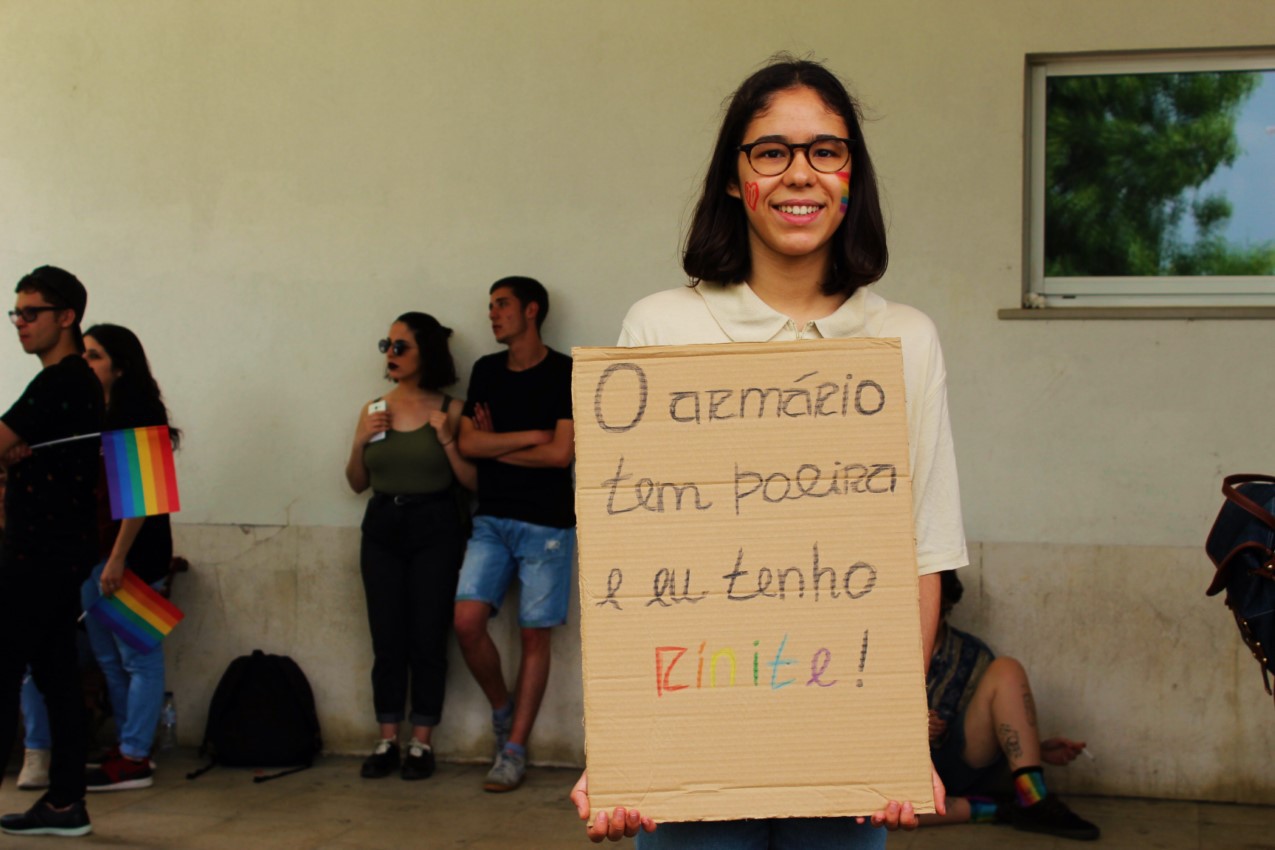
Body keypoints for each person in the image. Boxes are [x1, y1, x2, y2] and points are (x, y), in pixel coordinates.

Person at [569, 57, 967, 846]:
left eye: (826, 150)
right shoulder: (660, 328)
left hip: (840, 742)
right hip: (691, 743)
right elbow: (631, 563)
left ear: (852, 174)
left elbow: (922, 555)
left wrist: (887, 735)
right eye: (770, 151)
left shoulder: (905, 339)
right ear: (732, 177)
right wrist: (622, 745)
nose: (800, 174)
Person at [19, 323, 183, 793]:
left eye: (94, 356)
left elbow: (144, 501)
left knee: (140, 658)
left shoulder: (140, 419)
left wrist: (117, 559)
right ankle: (126, 748)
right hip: (94, 554)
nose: (85, 364)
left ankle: (136, 754)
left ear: (120, 366)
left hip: (133, 557)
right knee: (111, 660)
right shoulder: (91, 414)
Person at [453, 276, 575, 793]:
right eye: (489, 306)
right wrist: (529, 436)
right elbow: (467, 445)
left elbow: (561, 455)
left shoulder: (565, 371)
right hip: (492, 517)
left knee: (533, 636)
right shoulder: (485, 370)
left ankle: (515, 748)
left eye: (501, 305)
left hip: (548, 523)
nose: (492, 314)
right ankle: (502, 709)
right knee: (466, 621)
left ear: (532, 310)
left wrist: (492, 443)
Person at [345, 312, 476, 781]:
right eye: (387, 345)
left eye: (402, 346)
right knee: (387, 636)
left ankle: (422, 742)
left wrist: (446, 441)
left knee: (427, 635)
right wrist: (361, 440)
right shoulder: (374, 408)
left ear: (427, 354)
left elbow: (472, 481)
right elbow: (357, 482)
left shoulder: (452, 410)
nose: (391, 355)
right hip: (382, 523)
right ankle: (386, 738)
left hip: (435, 524)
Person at [0, 266, 104, 837]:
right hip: (57, 551)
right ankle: (65, 802)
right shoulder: (73, 383)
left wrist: (12, 451)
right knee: (57, 674)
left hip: (37, 553)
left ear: (66, 317)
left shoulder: (60, 380)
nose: (20, 323)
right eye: (15, 312)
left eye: (30, 312)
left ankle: (66, 799)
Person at [920, 570, 1099, 840]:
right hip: (905, 775)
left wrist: (1033, 749)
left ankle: (1033, 797)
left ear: (943, 602)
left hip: (957, 766)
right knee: (875, 812)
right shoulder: (875, 649)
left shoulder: (970, 653)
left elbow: (985, 723)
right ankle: (998, 808)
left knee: (1006, 670)